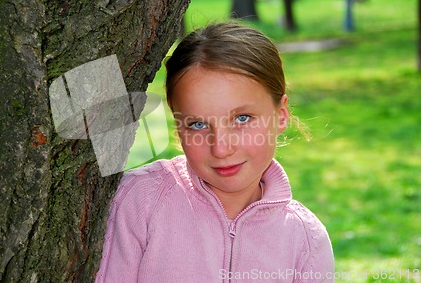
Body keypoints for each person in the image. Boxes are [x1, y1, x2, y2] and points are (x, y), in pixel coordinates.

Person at [95, 22, 334, 282]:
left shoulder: (306, 240)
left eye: (242, 118)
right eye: (197, 125)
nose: (221, 148)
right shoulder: (140, 202)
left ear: (281, 115)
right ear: (178, 127)